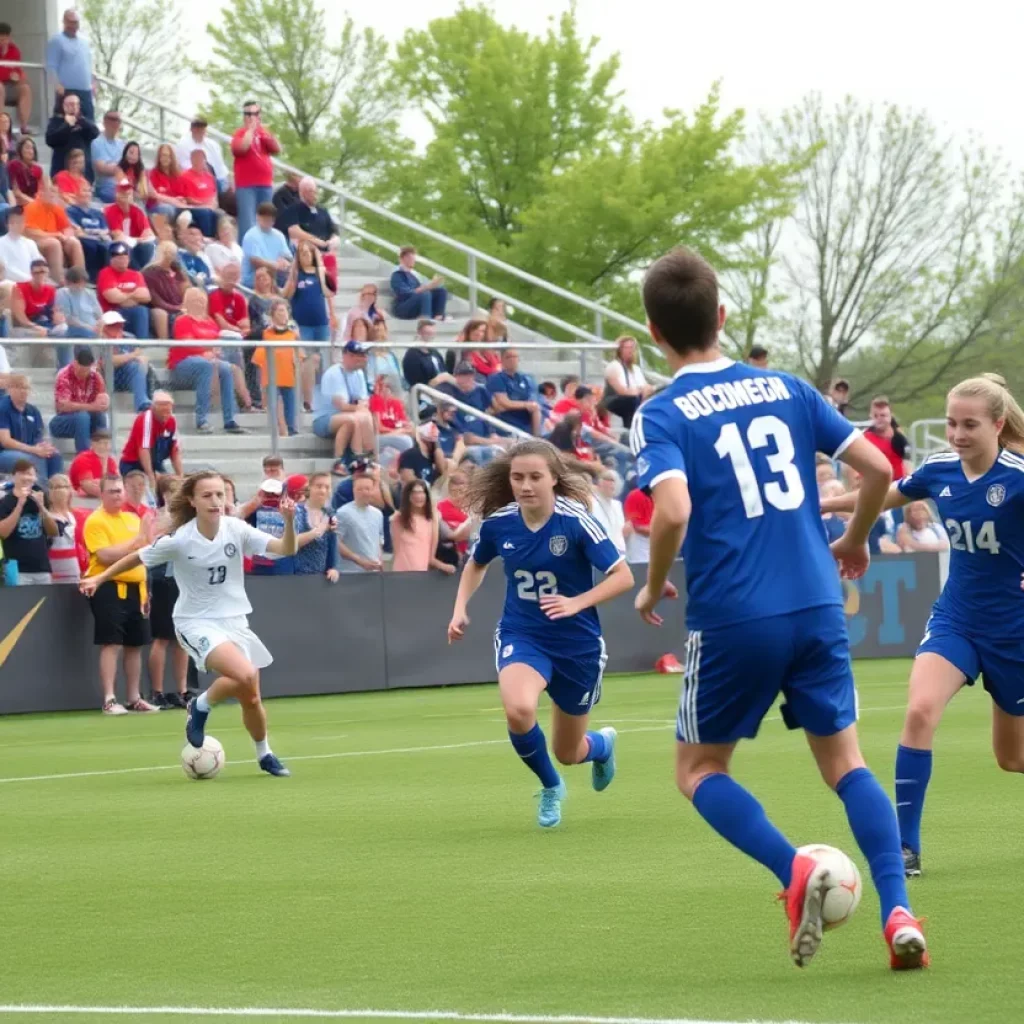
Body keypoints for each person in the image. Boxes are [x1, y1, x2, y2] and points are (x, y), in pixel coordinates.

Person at [629, 245, 926, 969]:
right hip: (818, 602)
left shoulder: (661, 412)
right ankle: (898, 912)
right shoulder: (787, 389)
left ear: (654, 334)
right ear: (722, 316)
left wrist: (650, 584)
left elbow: (670, 511)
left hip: (734, 613)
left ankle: (792, 869)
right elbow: (883, 468)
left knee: (698, 768)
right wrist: (853, 540)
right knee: (847, 762)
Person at [820, 373, 1024, 882]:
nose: (956, 433)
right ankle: (904, 847)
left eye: (969, 425)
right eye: (952, 422)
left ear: (998, 425)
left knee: (1012, 759)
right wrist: (821, 503)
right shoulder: (938, 470)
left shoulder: (1019, 475)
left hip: (1015, 632)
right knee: (919, 712)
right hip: (957, 619)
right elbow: (879, 495)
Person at [447, 438, 633, 828]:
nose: (525, 485)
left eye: (535, 477)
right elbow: (476, 565)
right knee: (519, 709)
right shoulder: (500, 523)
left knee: (568, 750)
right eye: (518, 477)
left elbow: (623, 576)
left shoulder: (576, 521)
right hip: (523, 633)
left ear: (553, 479)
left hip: (577, 645)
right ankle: (551, 787)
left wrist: (576, 602)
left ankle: (601, 747)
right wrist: (460, 607)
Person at [82, 470, 297, 770]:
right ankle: (202, 706)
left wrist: (288, 522)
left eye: (220, 494)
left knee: (251, 697)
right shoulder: (181, 539)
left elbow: (286, 549)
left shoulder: (236, 529)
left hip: (235, 620)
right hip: (195, 622)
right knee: (245, 675)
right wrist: (101, 577)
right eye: (207, 495)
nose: (216, 501)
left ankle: (263, 753)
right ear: (193, 501)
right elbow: (138, 557)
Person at [80, 475, 160, 714]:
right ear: (101, 494)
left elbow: (146, 548)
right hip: (109, 586)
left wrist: (145, 538)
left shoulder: (132, 518)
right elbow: (105, 555)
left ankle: (134, 697)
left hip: (138, 587)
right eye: (111, 491)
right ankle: (109, 698)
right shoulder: (95, 521)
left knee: (136, 643)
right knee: (111, 642)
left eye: (119, 491)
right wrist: (136, 542)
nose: (117, 495)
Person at [168, 288, 247, 436]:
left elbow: (217, 342)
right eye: (195, 300)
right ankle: (201, 420)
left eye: (202, 300)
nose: (199, 303)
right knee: (206, 365)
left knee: (226, 368)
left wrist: (214, 351)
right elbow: (187, 344)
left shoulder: (210, 321)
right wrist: (207, 352)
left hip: (208, 361)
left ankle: (229, 420)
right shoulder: (182, 320)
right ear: (188, 302)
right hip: (183, 365)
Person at [313, 341, 375, 459]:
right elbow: (341, 406)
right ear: (347, 356)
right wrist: (360, 407)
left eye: (364, 355)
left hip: (347, 415)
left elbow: (363, 401)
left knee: (363, 415)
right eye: (360, 355)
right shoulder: (334, 373)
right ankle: (350, 457)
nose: (364, 358)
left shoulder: (359, 373)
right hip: (324, 419)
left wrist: (361, 407)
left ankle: (367, 453)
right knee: (353, 419)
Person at [0, 458, 58, 584]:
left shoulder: (40, 497)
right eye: (23, 473)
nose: (27, 478)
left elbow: (53, 531)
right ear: (13, 476)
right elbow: (3, 533)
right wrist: (19, 505)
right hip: (16, 568)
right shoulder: (5, 502)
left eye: (31, 474)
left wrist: (42, 507)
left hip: (42, 567)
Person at [231, 101, 281, 241]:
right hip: (246, 185)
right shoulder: (240, 134)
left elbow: (277, 149)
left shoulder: (263, 133)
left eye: (255, 114)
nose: (252, 117)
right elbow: (242, 148)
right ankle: (246, 254)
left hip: (265, 184)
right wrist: (251, 130)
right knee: (248, 222)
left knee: (266, 220)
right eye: (248, 114)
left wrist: (267, 133)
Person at [0, 374, 62, 479]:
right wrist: (34, 450)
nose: (23, 391)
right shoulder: (3, 408)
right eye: (18, 387)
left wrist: (44, 448)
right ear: (9, 389)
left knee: (54, 455)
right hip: (4, 452)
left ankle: (55, 490)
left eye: (26, 387)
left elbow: (39, 437)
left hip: (28, 450)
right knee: (33, 458)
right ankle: (42, 491)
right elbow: (6, 442)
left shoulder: (33, 411)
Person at [23, 181, 86, 284]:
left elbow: (67, 229)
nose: (53, 194)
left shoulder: (57, 208)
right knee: (54, 243)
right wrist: (55, 235)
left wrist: (67, 237)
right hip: (34, 242)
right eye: (51, 191)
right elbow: (30, 232)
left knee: (74, 242)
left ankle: (79, 278)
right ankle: (59, 280)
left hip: (54, 238)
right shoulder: (31, 207)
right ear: (42, 192)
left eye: (56, 192)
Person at [252, 298, 298, 437]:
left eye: (284, 311)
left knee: (290, 402)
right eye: (279, 311)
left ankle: (291, 427)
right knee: (274, 403)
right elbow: (258, 358)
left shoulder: (293, 334)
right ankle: (277, 428)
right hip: (271, 374)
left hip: (288, 373)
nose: (282, 314)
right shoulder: (265, 333)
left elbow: (299, 355)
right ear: (273, 314)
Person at [50, 347, 109, 454]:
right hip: (62, 420)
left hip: (86, 419)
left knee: (100, 416)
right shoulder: (64, 375)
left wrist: (104, 403)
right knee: (83, 416)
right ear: (75, 363)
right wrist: (91, 407)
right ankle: (84, 457)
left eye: (87, 371)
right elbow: (62, 406)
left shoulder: (95, 376)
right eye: (81, 371)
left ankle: (101, 454)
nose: (84, 374)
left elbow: (101, 402)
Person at [119, 391, 182, 491]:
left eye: (168, 411)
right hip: (133, 463)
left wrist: (180, 476)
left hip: (155, 462)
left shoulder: (172, 420)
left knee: (168, 485)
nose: (165, 415)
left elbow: (174, 450)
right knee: (144, 486)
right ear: (153, 408)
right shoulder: (145, 419)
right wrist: (151, 477)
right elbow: (143, 450)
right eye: (162, 412)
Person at [390, 479, 452, 574]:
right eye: (414, 493)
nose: (418, 496)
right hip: (402, 573)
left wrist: (443, 566)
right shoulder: (398, 519)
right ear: (408, 496)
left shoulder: (431, 520)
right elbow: (396, 551)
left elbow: (431, 558)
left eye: (422, 492)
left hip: (421, 573)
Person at [46, 8, 95, 122]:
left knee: (89, 124)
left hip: (85, 91)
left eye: (76, 22)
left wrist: (93, 83)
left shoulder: (85, 41)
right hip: (67, 90)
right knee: (65, 124)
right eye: (70, 22)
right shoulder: (56, 40)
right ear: (64, 22)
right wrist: (57, 84)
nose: (73, 25)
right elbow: (51, 65)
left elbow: (89, 64)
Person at [283, 239, 335, 345]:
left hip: (321, 323)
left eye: (308, 253)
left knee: (323, 356)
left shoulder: (321, 273)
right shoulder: (296, 275)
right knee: (306, 357)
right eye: (302, 253)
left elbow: (329, 295)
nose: (306, 256)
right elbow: (286, 295)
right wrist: (293, 272)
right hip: (302, 325)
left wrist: (332, 314)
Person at [97, 241, 151, 340]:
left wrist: (123, 296)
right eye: (119, 257)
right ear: (111, 259)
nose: (122, 260)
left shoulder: (136, 274)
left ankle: (142, 345)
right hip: (112, 313)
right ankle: (142, 344)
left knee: (142, 310)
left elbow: (146, 296)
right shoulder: (105, 273)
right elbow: (113, 298)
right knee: (140, 310)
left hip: (131, 312)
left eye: (125, 257)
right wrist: (134, 295)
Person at [335, 473, 385, 573]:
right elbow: (335, 542)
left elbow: (379, 540)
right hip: (350, 573)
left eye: (367, 489)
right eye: (360, 489)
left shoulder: (378, 514)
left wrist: (379, 560)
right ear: (353, 490)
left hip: (373, 573)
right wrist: (359, 560)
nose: (364, 492)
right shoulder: (343, 513)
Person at [294, 472, 339, 581]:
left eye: (327, 487)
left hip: (320, 578)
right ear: (309, 488)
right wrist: (320, 529)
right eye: (319, 486)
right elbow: (292, 543)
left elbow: (332, 546)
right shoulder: (297, 511)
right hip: (296, 576)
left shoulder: (330, 514)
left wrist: (333, 568)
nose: (323, 490)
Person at [486, 348, 542, 436]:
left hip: (526, 421)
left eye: (515, 356)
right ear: (502, 360)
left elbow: (533, 401)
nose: (512, 359)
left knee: (537, 408)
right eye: (508, 357)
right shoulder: (496, 378)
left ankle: (537, 439)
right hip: (506, 423)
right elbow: (503, 403)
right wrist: (525, 405)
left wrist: (521, 404)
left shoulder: (526, 378)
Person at [602, 335, 653, 429]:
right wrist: (639, 391)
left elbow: (647, 388)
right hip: (613, 400)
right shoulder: (613, 367)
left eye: (633, 347)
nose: (631, 351)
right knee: (632, 400)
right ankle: (630, 429)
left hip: (635, 398)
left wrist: (642, 392)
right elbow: (622, 391)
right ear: (619, 350)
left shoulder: (636, 369)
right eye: (627, 348)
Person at [105, 178, 156, 270]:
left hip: (135, 244)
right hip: (118, 246)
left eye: (129, 192)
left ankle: (142, 272)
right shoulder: (111, 211)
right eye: (123, 192)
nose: (127, 194)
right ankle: (138, 273)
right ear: (117, 195)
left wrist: (137, 240)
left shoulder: (137, 211)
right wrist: (138, 239)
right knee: (123, 246)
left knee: (149, 246)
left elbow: (148, 233)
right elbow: (118, 236)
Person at [46, 472, 88, 584]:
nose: (61, 492)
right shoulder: (47, 516)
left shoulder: (75, 515)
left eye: (64, 487)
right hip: (54, 567)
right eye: (56, 487)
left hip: (74, 566)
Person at [45, 91, 98, 179]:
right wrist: (67, 126)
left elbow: (95, 133)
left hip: (82, 171)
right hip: (61, 168)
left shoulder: (84, 122)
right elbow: (50, 140)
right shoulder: (56, 121)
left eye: (76, 104)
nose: (73, 107)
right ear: (63, 106)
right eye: (70, 104)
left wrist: (80, 121)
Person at [142, 240, 188, 340]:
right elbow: (156, 301)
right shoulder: (149, 274)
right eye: (167, 252)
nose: (170, 256)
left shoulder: (178, 272)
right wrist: (178, 308)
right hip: (165, 310)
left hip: (181, 307)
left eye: (173, 253)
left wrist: (186, 306)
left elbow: (188, 291)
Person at [66, 182, 111, 280]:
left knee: (111, 246)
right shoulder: (70, 211)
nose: (87, 194)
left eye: (89, 191)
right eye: (84, 191)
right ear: (75, 193)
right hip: (85, 240)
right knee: (91, 245)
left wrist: (96, 234)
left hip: (99, 239)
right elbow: (77, 231)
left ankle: (107, 278)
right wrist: (96, 234)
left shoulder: (97, 212)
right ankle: (91, 277)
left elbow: (105, 230)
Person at [390, 245, 448, 321]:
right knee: (425, 293)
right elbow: (406, 294)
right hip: (403, 307)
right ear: (402, 259)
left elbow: (422, 289)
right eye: (410, 258)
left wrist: (433, 285)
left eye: (413, 258)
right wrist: (428, 287)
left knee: (441, 291)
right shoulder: (397, 275)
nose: (413, 260)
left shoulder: (414, 275)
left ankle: (438, 317)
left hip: (416, 303)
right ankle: (425, 319)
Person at [241, 202, 291, 288]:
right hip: (254, 277)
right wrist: (275, 265)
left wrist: (286, 263)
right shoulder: (251, 235)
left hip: (277, 275)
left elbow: (287, 256)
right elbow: (255, 261)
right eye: (264, 218)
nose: (267, 222)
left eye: (269, 219)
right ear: (257, 217)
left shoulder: (279, 235)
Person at [0, 23, 33, 134]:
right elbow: (9, 71)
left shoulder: (14, 50)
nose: (3, 42)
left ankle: (24, 126)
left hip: (10, 86)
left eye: (5, 39)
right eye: (1, 39)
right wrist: (9, 74)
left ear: (9, 37)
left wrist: (17, 76)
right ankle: (1, 125)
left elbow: (17, 71)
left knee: (25, 88)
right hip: (1, 86)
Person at [179, 148, 219, 238]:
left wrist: (213, 204)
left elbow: (214, 194)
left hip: (210, 206)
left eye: (202, 159)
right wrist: (205, 205)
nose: (200, 161)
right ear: (192, 160)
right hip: (194, 207)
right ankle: (208, 238)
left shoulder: (209, 177)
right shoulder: (185, 176)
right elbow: (188, 199)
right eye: (197, 159)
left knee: (221, 215)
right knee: (205, 212)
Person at [69, 428, 117, 498]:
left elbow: (117, 483)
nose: (107, 447)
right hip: (81, 499)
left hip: (103, 497)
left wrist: (105, 463)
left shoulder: (110, 460)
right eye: (103, 443)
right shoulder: (83, 459)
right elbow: (88, 487)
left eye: (108, 443)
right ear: (93, 444)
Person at [590, 469, 628, 554]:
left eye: (613, 481)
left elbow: (620, 530)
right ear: (600, 483)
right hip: (602, 552)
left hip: (620, 551)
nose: (612, 484)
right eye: (608, 480)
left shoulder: (617, 505)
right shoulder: (592, 503)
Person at [0, 206, 42, 282]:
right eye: (14, 222)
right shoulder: (1, 243)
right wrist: (28, 280)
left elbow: (39, 263)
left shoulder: (30, 243)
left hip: (32, 283)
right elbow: (5, 269)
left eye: (21, 222)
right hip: (11, 284)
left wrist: (38, 278)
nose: (18, 225)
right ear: (7, 224)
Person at [91, 109, 124, 203]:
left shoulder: (122, 144)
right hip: (104, 186)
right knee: (122, 196)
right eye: (113, 119)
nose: (116, 123)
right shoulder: (97, 143)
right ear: (105, 122)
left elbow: (129, 167)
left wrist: (114, 167)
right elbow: (102, 169)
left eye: (119, 120)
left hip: (122, 183)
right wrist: (120, 167)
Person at [204, 217, 244, 285]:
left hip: (239, 283)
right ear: (219, 232)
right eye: (223, 230)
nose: (226, 232)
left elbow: (242, 270)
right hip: (219, 283)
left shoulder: (239, 249)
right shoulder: (211, 248)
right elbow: (213, 270)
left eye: (228, 230)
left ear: (234, 231)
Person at [8, 135, 43, 206]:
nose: (30, 151)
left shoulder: (38, 168)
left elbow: (41, 190)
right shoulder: (14, 165)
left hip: (35, 202)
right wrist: (33, 202)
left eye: (32, 148)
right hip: (18, 202)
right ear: (20, 149)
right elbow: (16, 192)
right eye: (27, 148)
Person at [116, 141, 148, 206]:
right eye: (131, 152)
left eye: (137, 154)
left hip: (136, 198)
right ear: (125, 152)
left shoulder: (140, 169)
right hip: (123, 197)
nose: (134, 156)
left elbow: (144, 192)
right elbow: (124, 188)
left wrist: (140, 192)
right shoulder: (119, 168)